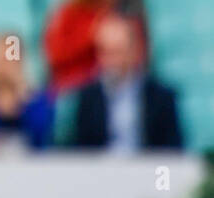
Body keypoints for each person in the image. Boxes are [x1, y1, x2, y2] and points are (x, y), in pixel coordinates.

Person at [61, 15, 181, 151]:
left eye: (117, 51)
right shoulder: (87, 98)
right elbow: (78, 149)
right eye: (104, 51)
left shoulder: (161, 98)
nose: (110, 60)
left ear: (133, 51)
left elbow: (172, 153)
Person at [43, 0, 138, 94]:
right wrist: (91, 34)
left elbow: (136, 62)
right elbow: (54, 54)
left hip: (113, 92)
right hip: (73, 90)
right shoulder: (71, 11)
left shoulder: (125, 20)